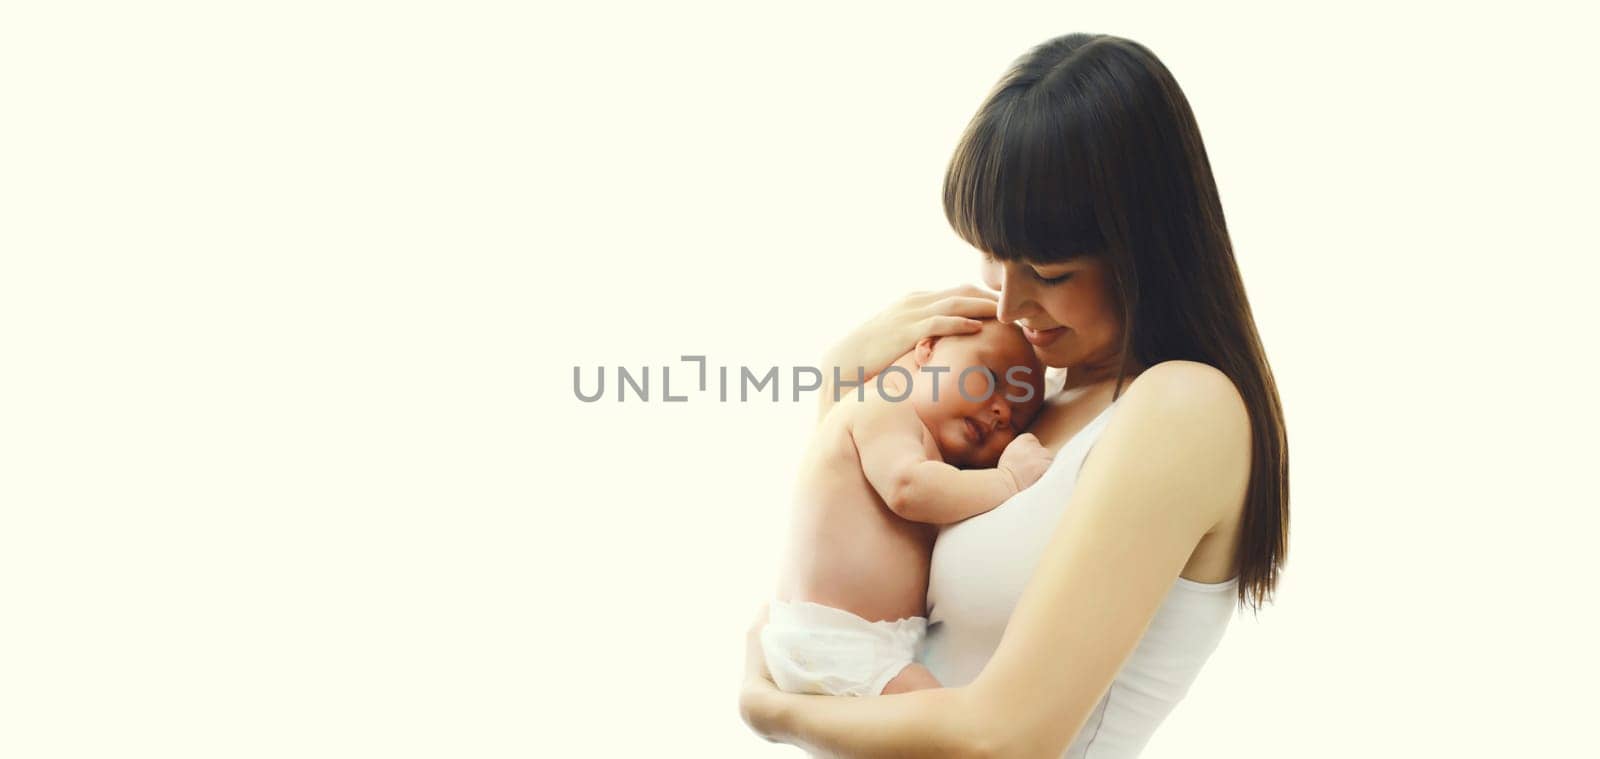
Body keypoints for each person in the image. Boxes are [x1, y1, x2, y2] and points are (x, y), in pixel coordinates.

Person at [739, 32, 1289, 758]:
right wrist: (840, 402)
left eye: (1049, 272)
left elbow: (1006, 738)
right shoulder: (1028, 405)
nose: (1010, 306)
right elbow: (848, 602)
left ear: (1145, 250)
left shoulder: (1183, 408)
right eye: (995, 261)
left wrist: (773, 710)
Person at [762, 319, 1050, 698]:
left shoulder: (941, 461)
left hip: (867, 641)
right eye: (992, 378)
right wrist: (1009, 480)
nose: (1000, 411)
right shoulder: (883, 404)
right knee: (946, 725)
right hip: (835, 637)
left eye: (1016, 418)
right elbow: (907, 487)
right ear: (927, 349)